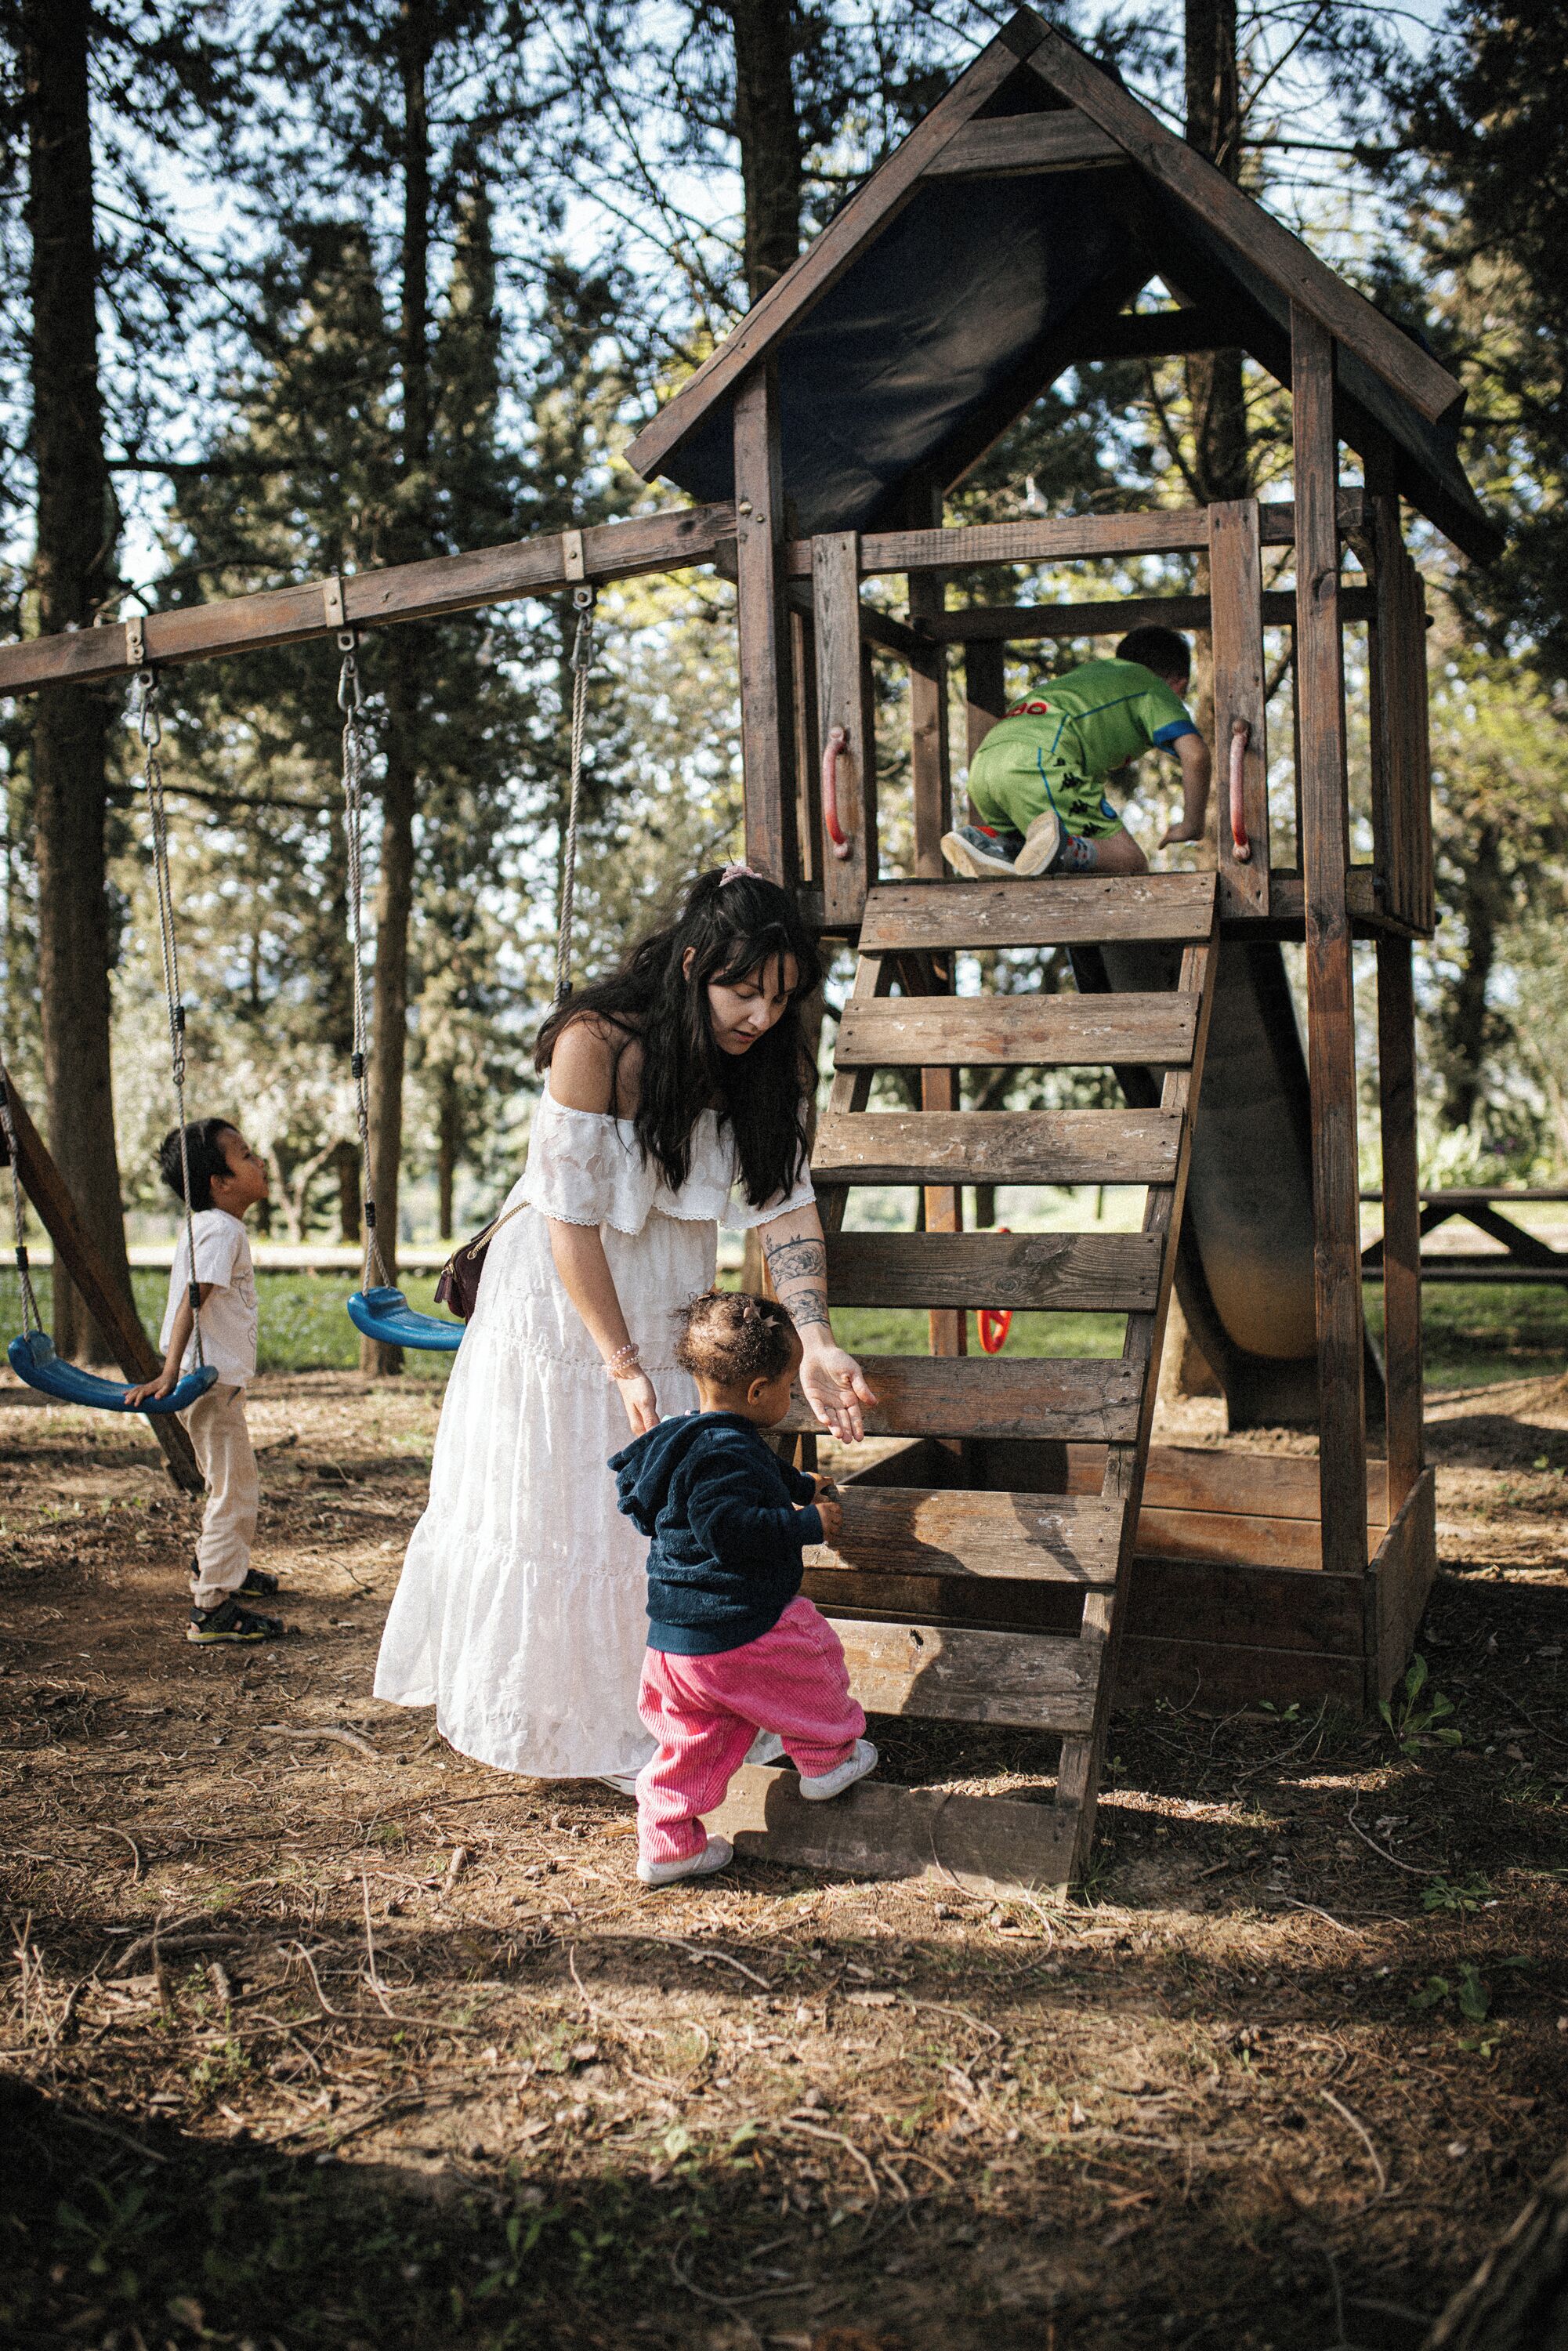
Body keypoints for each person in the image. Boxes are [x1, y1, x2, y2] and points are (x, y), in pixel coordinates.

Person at [374, 865, 878, 1792]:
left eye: (781, 999)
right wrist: (620, 1361)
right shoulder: (596, 1041)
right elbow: (567, 1221)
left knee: (654, 1522)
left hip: (668, 1286)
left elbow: (784, 1206)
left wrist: (817, 1339)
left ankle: (662, 1720)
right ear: (692, 965)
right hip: (565, 1296)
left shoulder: (765, 1061)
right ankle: (569, 1720)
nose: (761, 1017)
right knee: (565, 1499)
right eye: (743, 991)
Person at [611, 1290, 875, 1886]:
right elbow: (729, 1528)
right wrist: (807, 1524)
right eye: (786, 1387)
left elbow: (745, 1474)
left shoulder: (685, 1436)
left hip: (674, 1644)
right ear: (758, 1391)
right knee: (809, 1658)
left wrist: (798, 1485)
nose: (790, 1397)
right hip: (740, 1624)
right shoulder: (726, 1452)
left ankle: (668, 1845)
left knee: (692, 1745)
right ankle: (828, 1760)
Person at [125, 1119, 285, 1646]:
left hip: (212, 1382)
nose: (258, 1161)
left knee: (227, 1482)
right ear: (220, 1182)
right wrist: (170, 1371)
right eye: (246, 1155)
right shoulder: (221, 1229)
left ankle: (220, 1565)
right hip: (207, 1384)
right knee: (235, 1492)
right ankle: (212, 1606)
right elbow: (194, 1298)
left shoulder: (211, 1226)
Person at [942, 625, 1211, 881]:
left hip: (985, 766)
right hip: (1040, 760)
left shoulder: (1094, 676)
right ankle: (1063, 848)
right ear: (1178, 684)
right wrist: (1192, 825)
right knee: (1129, 861)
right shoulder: (1153, 686)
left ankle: (997, 846)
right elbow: (1196, 754)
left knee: (1033, 854)